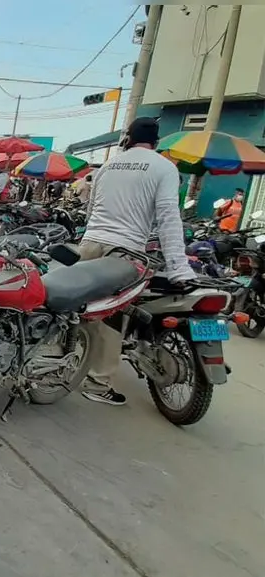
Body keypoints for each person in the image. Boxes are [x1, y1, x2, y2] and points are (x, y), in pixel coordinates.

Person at [79, 117, 196, 406]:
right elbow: (168, 218)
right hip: (125, 250)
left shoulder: (107, 166)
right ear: (156, 141)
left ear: (127, 138)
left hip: (91, 243)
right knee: (112, 316)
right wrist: (180, 268)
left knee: (83, 308)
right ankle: (96, 382)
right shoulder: (164, 167)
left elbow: (91, 209)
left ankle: (75, 362)